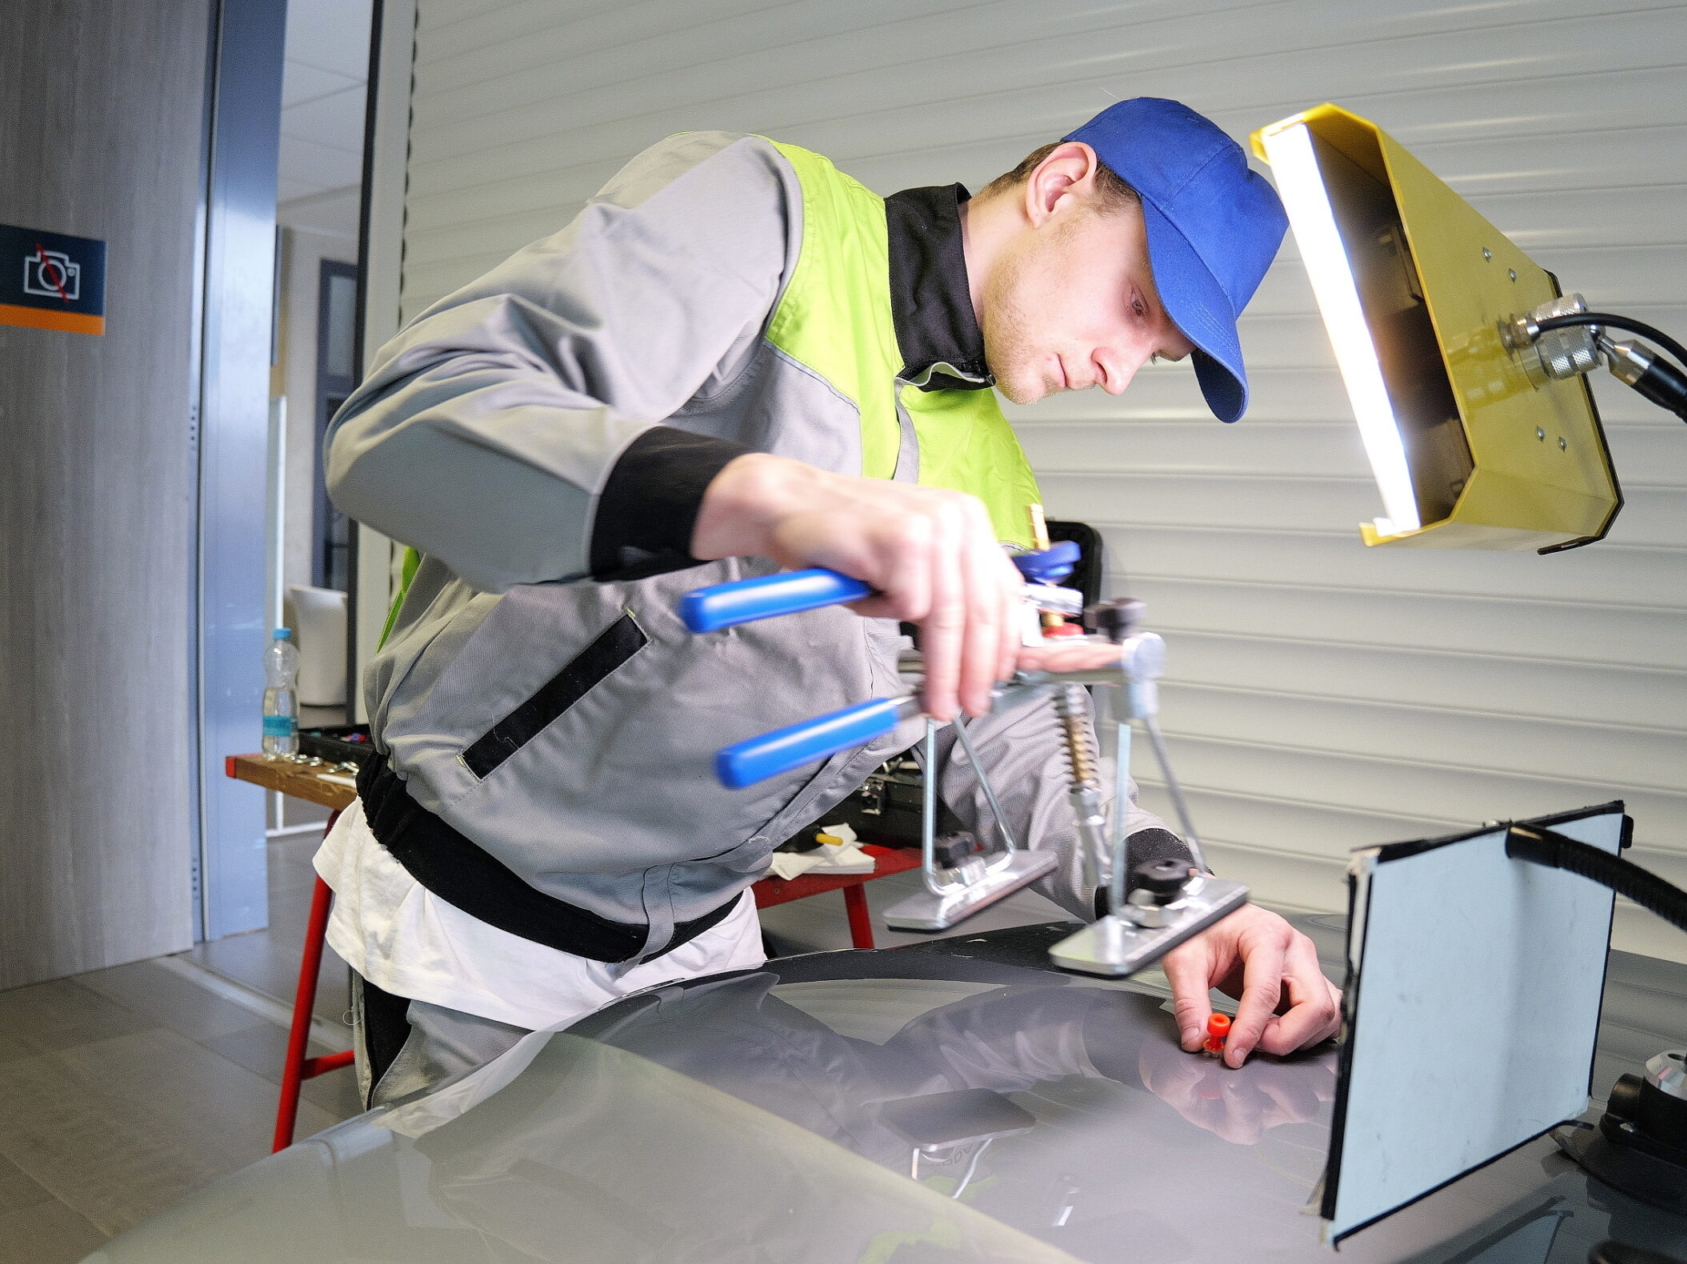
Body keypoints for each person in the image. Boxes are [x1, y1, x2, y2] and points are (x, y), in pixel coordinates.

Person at [321, 97, 1342, 1109]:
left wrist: (1176, 896)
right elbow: (410, 426)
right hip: (480, 935)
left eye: (1155, 354)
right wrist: (778, 501)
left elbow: (1020, 738)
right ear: (1061, 184)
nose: (1120, 373)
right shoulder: (761, 218)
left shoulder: (994, 480)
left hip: (699, 952)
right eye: (1135, 305)